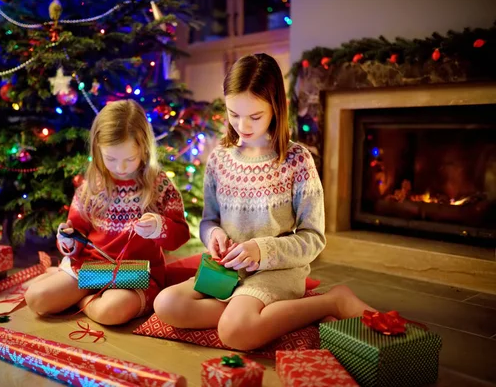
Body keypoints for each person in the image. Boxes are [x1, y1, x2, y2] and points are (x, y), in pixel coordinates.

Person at [154, 53, 374, 350]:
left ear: (275, 108)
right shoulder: (219, 159)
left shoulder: (297, 161)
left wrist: (263, 250)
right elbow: (208, 221)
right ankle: (251, 313)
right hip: (227, 273)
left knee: (236, 334)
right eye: (234, 114)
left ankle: (332, 301)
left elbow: (313, 239)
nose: (242, 125)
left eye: (254, 116)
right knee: (166, 304)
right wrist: (214, 235)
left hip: (277, 272)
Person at [25, 99, 191, 325]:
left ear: (144, 149)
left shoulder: (159, 185)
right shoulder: (93, 184)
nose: (120, 168)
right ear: (98, 150)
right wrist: (68, 240)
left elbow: (180, 235)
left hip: (137, 275)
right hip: (92, 268)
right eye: (111, 159)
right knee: (36, 299)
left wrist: (159, 227)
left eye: (129, 159)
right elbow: (77, 232)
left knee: (111, 311)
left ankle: (81, 301)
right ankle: (86, 294)